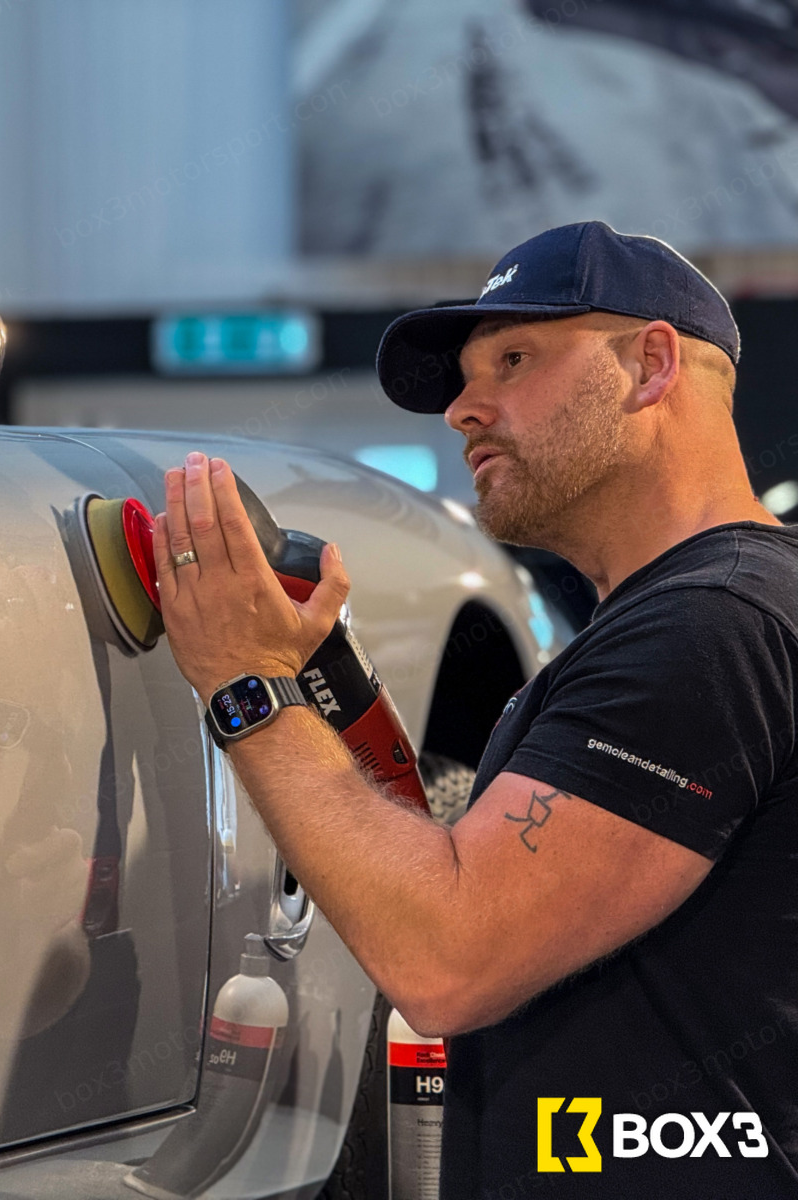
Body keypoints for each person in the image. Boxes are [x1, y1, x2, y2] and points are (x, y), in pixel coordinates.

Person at [152, 221, 798, 1195]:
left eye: (514, 360)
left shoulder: (712, 625)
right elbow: (456, 882)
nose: (462, 409)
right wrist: (317, 690)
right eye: (462, 379)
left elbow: (448, 957)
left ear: (652, 365)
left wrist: (246, 684)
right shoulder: (698, 614)